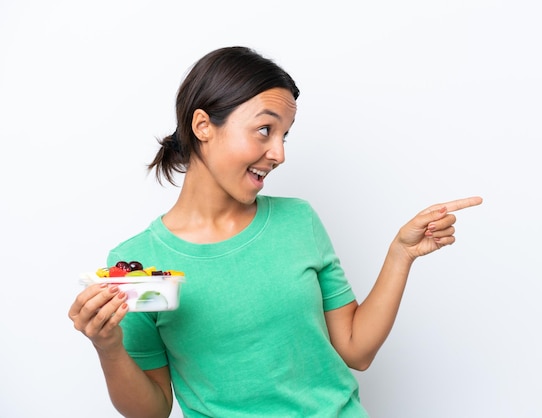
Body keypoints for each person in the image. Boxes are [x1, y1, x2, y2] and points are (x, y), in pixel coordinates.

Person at [69, 46, 483, 418]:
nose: (279, 153)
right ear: (203, 126)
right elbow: (152, 410)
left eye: (286, 135)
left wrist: (401, 254)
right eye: (265, 130)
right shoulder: (139, 264)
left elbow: (356, 350)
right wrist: (107, 347)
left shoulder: (299, 221)